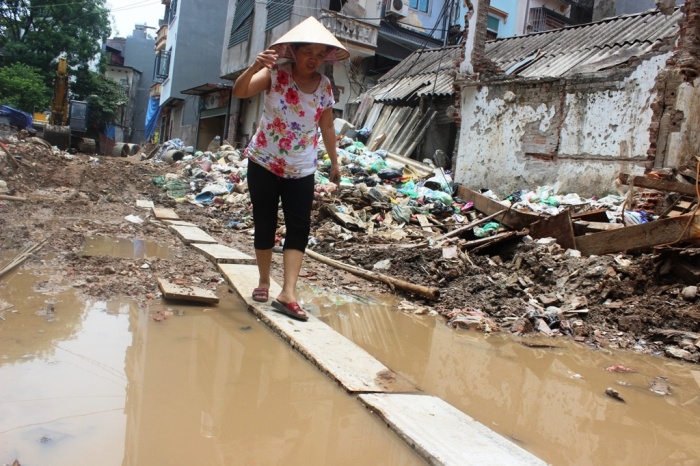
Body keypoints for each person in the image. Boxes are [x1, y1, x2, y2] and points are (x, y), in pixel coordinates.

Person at [232, 17, 349, 321]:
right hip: (264, 162)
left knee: (299, 228)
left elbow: (325, 124)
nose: (314, 59)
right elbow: (240, 92)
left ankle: (289, 293)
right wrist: (254, 66)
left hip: (302, 168)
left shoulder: (324, 87)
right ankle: (263, 281)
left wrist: (334, 162)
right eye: (308, 52)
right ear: (294, 52)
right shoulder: (275, 76)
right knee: (265, 223)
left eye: (320, 54)